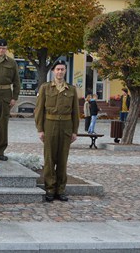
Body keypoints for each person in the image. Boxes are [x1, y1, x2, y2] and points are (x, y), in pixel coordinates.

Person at [34, 60, 79, 202]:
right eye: (58, 69)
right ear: (53, 71)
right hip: (50, 125)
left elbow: (75, 112)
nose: (60, 72)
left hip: (66, 126)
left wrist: (74, 131)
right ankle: (50, 189)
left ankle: (61, 189)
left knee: (62, 160)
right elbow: (39, 110)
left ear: (65, 71)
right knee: (49, 159)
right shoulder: (46, 88)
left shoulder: (71, 89)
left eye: (62, 69)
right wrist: (40, 129)